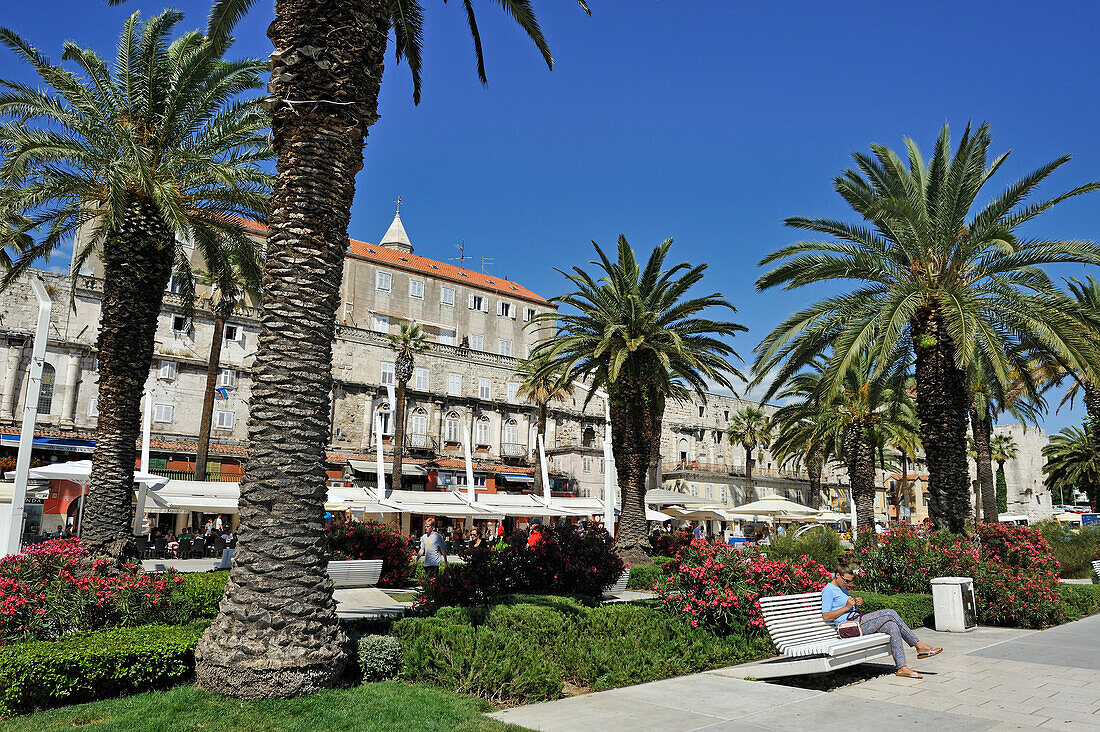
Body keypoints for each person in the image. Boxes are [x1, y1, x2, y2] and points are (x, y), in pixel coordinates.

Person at [821, 562, 942, 678]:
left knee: (891, 626)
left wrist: (855, 604)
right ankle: (919, 645)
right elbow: (826, 616)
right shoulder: (828, 590)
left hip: (856, 621)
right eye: (846, 580)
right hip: (848, 627)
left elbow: (845, 608)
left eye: (850, 582)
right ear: (837, 575)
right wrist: (847, 607)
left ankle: (902, 667)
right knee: (890, 613)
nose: (847, 583)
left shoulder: (842, 588)